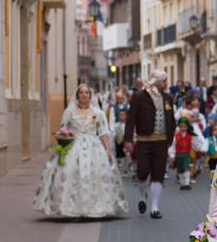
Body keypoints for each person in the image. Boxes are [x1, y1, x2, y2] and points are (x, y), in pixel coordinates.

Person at [34, 84, 128, 218]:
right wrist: (63, 140)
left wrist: (107, 149)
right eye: (81, 93)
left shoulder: (98, 113)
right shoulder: (69, 112)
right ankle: (72, 207)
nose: (84, 95)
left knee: (94, 173)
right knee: (71, 173)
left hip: (94, 147)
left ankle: (95, 207)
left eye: (87, 93)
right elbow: (62, 129)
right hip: (73, 146)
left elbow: (103, 132)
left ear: (90, 96)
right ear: (77, 96)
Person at [124, 69, 176, 219]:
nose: (166, 84)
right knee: (142, 173)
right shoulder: (139, 96)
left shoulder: (168, 98)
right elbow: (131, 119)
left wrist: (170, 137)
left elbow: (171, 119)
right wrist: (128, 140)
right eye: (163, 81)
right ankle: (142, 196)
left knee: (158, 174)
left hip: (161, 142)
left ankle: (154, 207)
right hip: (143, 141)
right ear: (156, 81)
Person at [171, 117, 195, 190]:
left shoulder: (190, 135)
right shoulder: (176, 135)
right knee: (180, 169)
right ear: (179, 126)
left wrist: (199, 148)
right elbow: (173, 145)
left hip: (186, 154)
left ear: (187, 126)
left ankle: (187, 183)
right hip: (178, 154)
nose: (183, 128)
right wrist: (172, 155)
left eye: (184, 126)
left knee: (186, 168)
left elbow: (194, 143)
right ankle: (182, 183)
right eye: (181, 126)